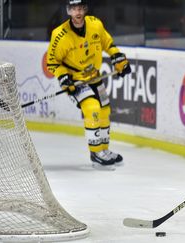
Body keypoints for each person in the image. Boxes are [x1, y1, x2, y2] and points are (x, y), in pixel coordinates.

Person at [46, 0, 131, 170]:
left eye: (80, 8)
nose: (77, 12)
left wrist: (117, 57)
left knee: (105, 110)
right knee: (92, 108)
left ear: (84, 9)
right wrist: (64, 78)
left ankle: (104, 150)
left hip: (94, 77)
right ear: (68, 11)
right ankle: (95, 153)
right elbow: (52, 63)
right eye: (73, 9)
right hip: (75, 82)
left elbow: (108, 43)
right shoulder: (60, 34)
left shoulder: (95, 24)